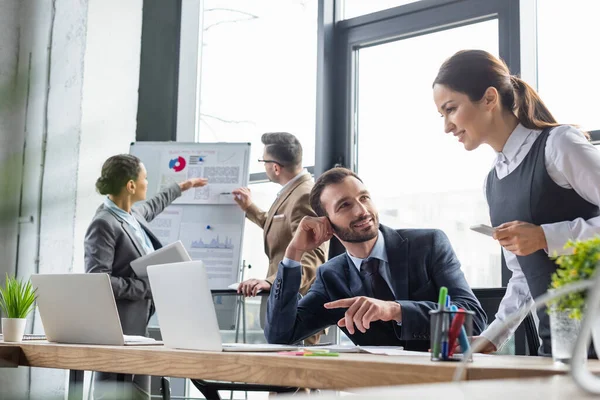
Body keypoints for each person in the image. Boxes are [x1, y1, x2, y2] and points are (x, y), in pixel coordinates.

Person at [433, 49, 600, 356]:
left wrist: (544, 237)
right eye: (442, 115)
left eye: (451, 109)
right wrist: (491, 338)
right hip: (558, 346)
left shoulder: (558, 144)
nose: (446, 126)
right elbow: (524, 274)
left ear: (489, 98)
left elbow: (540, 243)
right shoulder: (493, 183)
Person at [264, 167, 486, 350]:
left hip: (442, 381)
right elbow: (280, 335)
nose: (362, 211)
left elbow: (473, 321)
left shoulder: (428, 245)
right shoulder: (332, 276)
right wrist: (293, 253)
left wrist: (395, 310)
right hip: (376, 385)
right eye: (345, 205)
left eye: (364, 198)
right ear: (326, 222)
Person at [84, 154, 207, 399]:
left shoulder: (133, 215)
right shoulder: (104, 223)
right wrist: (148, 287)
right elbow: (98, 280)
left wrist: (182, 187)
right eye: (145, 178)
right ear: (130, 185)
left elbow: (154, 204)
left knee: (143, 391)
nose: (147, 183)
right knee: (119, 392)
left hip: (144, 322)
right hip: (121, 329)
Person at [232, 132, 329, 345]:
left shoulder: (305, 195)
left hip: (297, 312)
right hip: (284, 309)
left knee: (292, 376)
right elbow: (281, 225)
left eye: (263, 161)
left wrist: (269, 281)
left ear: (275, 167)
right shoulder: (292, 191)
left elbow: (311, 258)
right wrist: (250, 208)